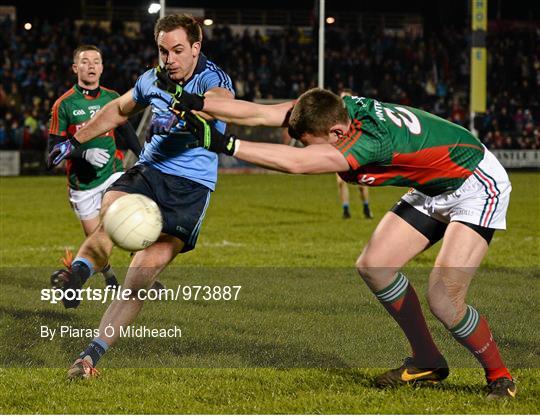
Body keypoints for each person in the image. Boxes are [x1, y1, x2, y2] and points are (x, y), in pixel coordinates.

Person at [170, 87, 516, 399]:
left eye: (310, 141)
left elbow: (298, 164)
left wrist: (226, 144)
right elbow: (266, 113)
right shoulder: (340, 110)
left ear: (336, 132)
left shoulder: (368, 141)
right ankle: (427, 360)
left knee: (443, 298)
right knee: (375, 267)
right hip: (436, 183)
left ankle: (500, 376)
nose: (307, 148)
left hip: (474, 182)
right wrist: (199, 103)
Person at [46, 14, 234, 378]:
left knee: (138, 280)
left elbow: (219, 102)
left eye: (178, 50)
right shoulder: (152, 78)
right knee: (111, 213)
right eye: (163, 51)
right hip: (151, 170)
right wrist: (73, 141)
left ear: (196, 48)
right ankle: (78, 275)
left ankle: (90, 358)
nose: (170, 59)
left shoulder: (213, 77)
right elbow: (118, 110)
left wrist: (187, 112)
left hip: (190, 190)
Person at [48, 45, 143, 289]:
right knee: (96, 243)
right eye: (85, 61)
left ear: (102, 67)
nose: (91, 66)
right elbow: (52, 155)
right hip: (83, 186)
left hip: (114, 173)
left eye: (96, 61)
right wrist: (83, 153)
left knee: (129, 223)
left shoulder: (112, 98)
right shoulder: (64, 104)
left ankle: (144, 280)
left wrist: (143, 157)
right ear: (75, 68)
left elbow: (126, 131)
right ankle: (108, 276)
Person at [337, 89, 373, 220]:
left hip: (357, 152)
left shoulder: (358, 115)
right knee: (341, 182)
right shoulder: (337, 118)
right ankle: (346, 210)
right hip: (342, 152)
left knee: (361, 183)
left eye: (346, 98)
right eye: (342, 98)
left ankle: (366, 207)